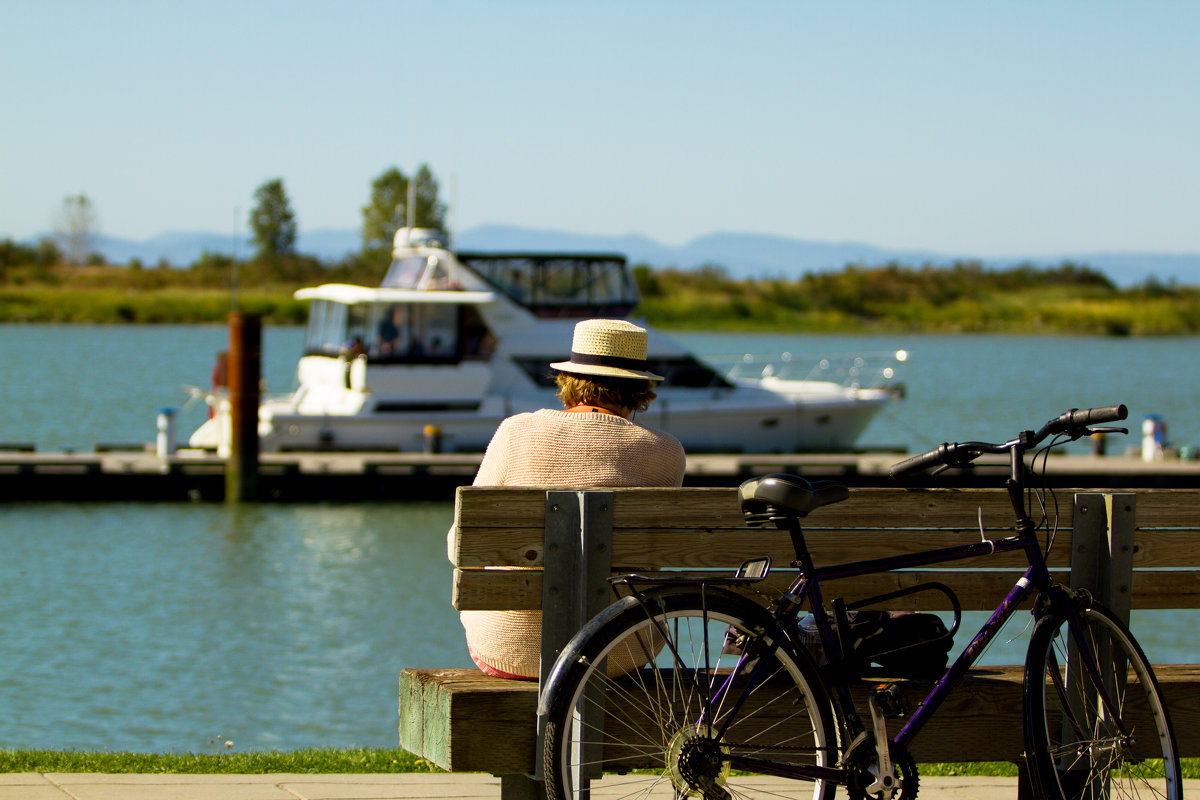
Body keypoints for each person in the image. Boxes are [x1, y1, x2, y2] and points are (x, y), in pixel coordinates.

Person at [450, 318, 686, 680]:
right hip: (621, 651)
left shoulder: (515, 431)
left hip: (511, 649)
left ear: (568, 380)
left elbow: (460, 545)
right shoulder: (666, 451)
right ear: (640, 390)